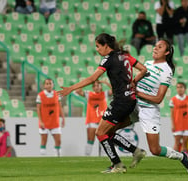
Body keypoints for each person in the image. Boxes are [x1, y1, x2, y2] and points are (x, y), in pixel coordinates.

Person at [58, 33, 148, 173]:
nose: (97, 49)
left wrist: (71, 88)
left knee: (100, 132)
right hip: (131, 100)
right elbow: (143, 69)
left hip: (120, 102)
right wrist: (133, 82)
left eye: (98, 46)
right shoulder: (124, 55)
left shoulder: (108, 59)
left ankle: (117, 165)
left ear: (106, 46)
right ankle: (136, 151)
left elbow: (93, 78)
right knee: (109, 132)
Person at [135, 39, 188, 173]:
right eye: (155, 46)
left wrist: (138, 92)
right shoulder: (147, 63)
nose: (155, 48)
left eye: (159, 47)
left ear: (166, 52)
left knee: (155, 150)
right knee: (109, 127)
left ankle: (181, 156)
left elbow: (158, 99)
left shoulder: (166, 71)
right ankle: (117, 162)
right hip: (134, 105)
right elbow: (135, 81)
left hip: (149, 110)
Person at [75, 80, 112, 156]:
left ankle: (104, 158)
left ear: (101, 86)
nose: (96, 87)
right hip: (92, 121)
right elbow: (78, 90)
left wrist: (105, 82)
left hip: (103, 121)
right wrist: (87, 82)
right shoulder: (89, 94)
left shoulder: (105, 94)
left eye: (98, 85)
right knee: (90, 140)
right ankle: (87, 157)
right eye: (94, 86)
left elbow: (115, 90)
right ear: (92, 88)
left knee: (104, 140)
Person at [36, 78, 65, 156]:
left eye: (50, 83)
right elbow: (38, 109)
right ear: (44, 86)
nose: (49, 85)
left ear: (53, 85)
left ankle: (57, 157)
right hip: (44, 122)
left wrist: (63, 118)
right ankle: (43, 158)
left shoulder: (57, 94)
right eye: (47, 84)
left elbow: (60, 107)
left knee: (58, 141)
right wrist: (41, 121)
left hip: (55, 122)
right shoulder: (40, 95)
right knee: (43, 141)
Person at [169, 82, 188, 153]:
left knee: (185, 144)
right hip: (178, 124)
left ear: (184, 89)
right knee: (177, 143)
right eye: (178, 87)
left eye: (181, 87)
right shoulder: (173, 100)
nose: (179, 89)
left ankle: (184, 159)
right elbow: (172, 114)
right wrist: (172, 125)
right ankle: (173, 158)